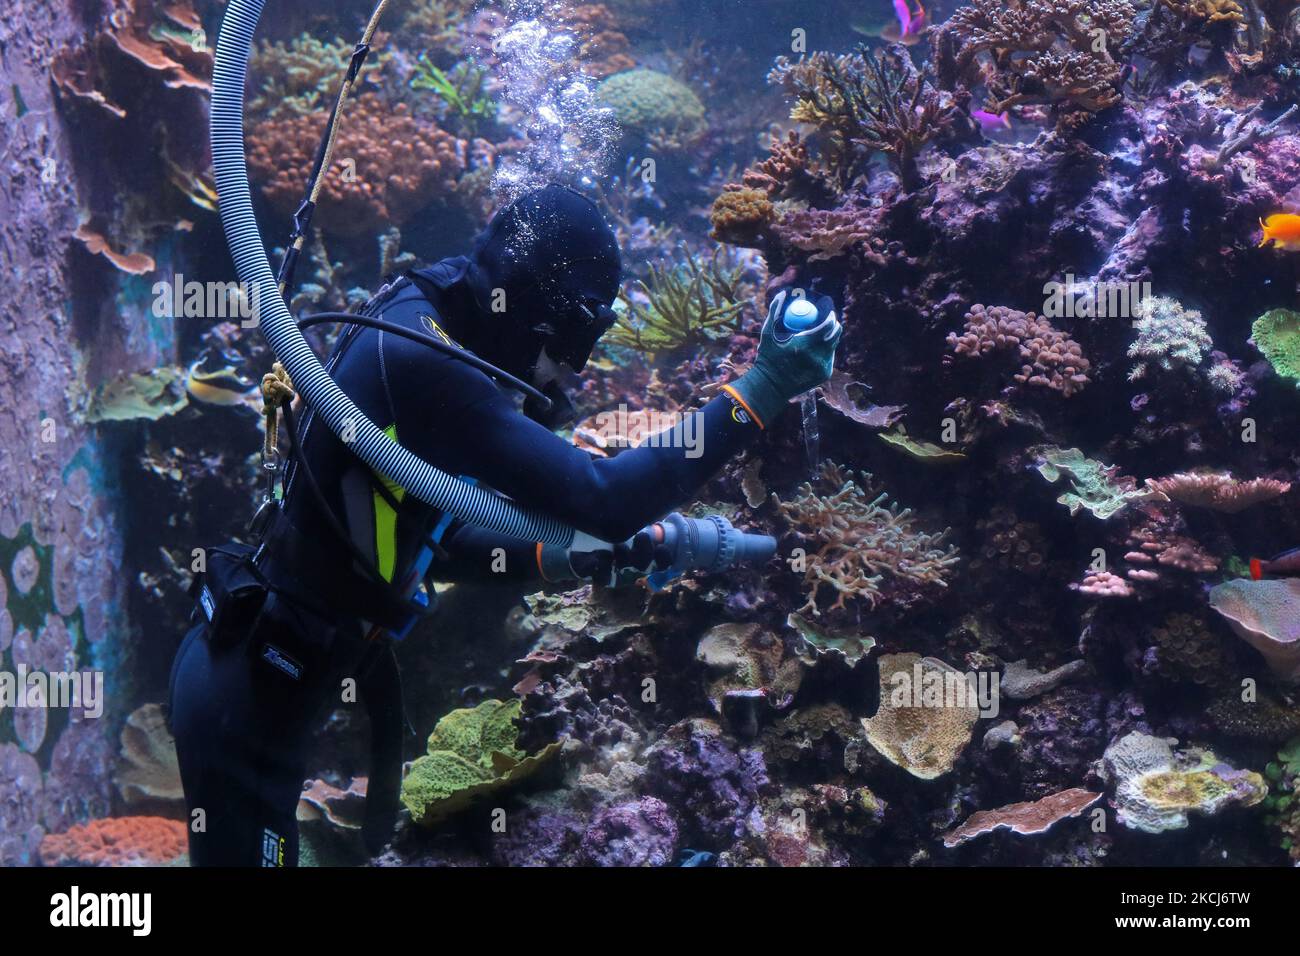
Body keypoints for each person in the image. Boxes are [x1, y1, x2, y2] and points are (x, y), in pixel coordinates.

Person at [168, 183, 841, 866]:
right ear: (523, 304)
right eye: (564, 341)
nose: (563, 373)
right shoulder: (425, 364)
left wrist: (571, 558)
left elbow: (432, 536)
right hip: (246, 710)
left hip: (254, 675)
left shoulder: (429, 303)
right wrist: (765, 384)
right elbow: (605, 497)